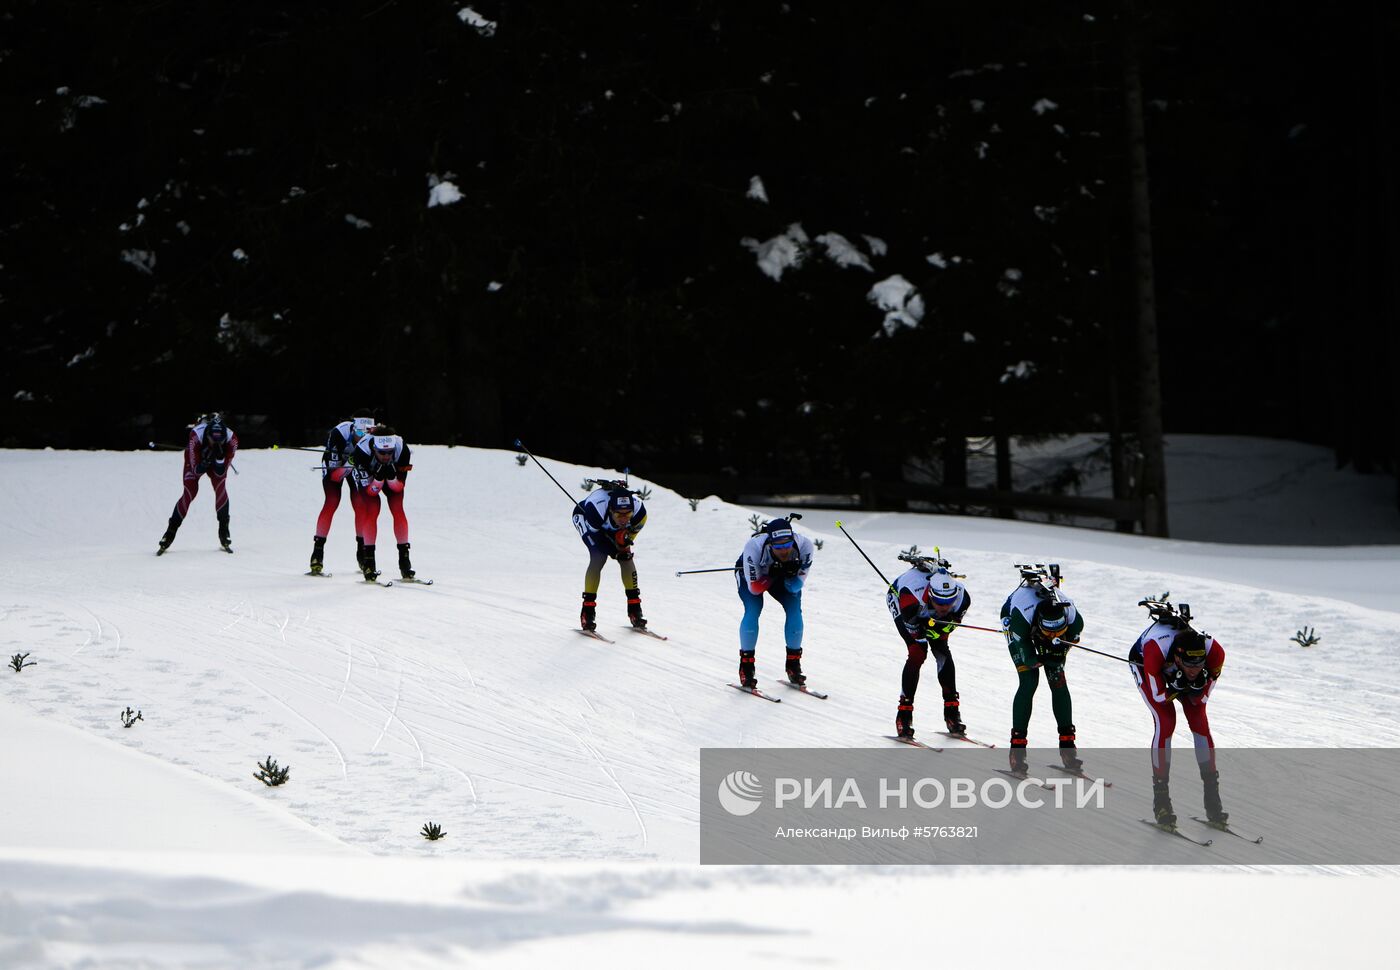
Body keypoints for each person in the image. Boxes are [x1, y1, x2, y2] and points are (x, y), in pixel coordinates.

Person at [1129, 607, 1228, 827]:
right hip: (1145, 663)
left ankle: (1213, 800)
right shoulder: (1156, 650)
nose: (1195, 670)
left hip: (1173, 670)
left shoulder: (1215, 653)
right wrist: (1176, 686)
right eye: (1190, 665)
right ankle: (1161, 800)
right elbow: (1159, 695)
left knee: (1199, 721)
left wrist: (1193, 685)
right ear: (1177, 657)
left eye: (1199, 664)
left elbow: (1200, 700)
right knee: (1166, 721)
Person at [1001, 564, 1084, 774]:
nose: (1055, 636)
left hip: (1038, 629)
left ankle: (1068, 747)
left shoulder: (1073, 618)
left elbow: (1070, 638)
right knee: (1029, 681)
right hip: (1019, 628)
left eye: (1060, 632)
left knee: (1057, 679)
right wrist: (1032, 659)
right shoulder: (1022, 619)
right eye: (1050, 633)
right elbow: (1025, 651)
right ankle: (1017, 750)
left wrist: (1055, 653)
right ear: (1039, 624)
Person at [886, 556, 971, 739]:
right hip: (902, 600)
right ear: (931, 595)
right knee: (918, 653)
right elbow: (916, 632)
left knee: (942, 650)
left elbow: (950, 625)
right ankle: (904, 716)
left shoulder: (963, 598)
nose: (944, 607)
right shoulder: (911, 597)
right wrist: (927, 628)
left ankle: (952, 714)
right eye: (939, 603)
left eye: (949, 602)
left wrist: (937, 628)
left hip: (924, 611)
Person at [734, 516, 815, 688]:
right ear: (770, 543)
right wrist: (771, 574)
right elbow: (754, 588)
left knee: (794, 609)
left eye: (787, 545)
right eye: (778, 546)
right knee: (753, 609)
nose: (784, 550)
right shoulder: (754, 546)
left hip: (780, 577)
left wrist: (787, 573)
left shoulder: (805, 546)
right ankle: (746, 667)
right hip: (752, 577)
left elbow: (795, 587)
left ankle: (794, 665)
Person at [158, 413, 238, 554]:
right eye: (213, 440)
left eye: (220, 441)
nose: (216, 443)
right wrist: (203, 464)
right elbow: (195, 472)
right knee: (190, 492)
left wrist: (219, 458)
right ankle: (170, 532)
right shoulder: (196, 435)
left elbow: (220, 473)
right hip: (197, 456)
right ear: (207, 435)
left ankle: (224, 531)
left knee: (220, 487)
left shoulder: (232, 440)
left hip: (215, 458)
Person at [572, 482, 648, 630]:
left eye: (628, 515)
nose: (624, 519)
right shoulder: (596, 511)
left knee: (625, 556)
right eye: (619, 514)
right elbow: (599, 541)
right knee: (599, 557)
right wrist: (614, 551)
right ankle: (587, 611)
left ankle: (635, 609)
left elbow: (627, 541)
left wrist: (622, 544)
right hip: (586, 517)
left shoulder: (639, 514)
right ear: (611, 510)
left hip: (607, 523)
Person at [309, 410, 376, 575]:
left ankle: (362, 552)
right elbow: (336, 476)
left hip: (353, 463)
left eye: (366, 433)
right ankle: (318, 552)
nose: (362, 437)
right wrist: (351, 460)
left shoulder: (373, 439)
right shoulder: (339, 433)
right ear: (353, 428)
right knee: (332, 501)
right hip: (337, 465)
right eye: (359, 432)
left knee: (360, 505)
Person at [348, 427, 414, 581]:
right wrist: (377, 479)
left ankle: (404, 561)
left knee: (398, 509)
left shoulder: (402, 449)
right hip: (370, 480)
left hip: (391, 477)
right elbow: (371, 492)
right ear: (374, 448)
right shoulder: (362, 452)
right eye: (382, 453)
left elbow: (399, 487)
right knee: (372, 510)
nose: (386, 456)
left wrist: (391, 478)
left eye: (390, 452)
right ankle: (369, 562)